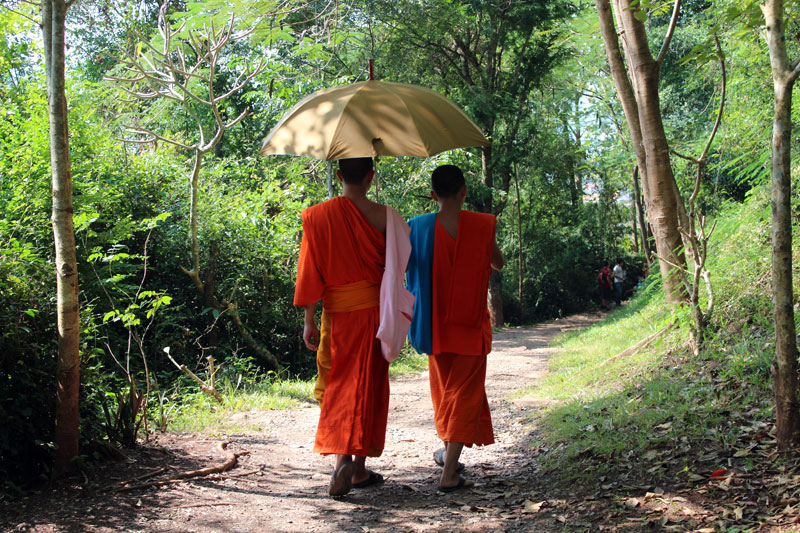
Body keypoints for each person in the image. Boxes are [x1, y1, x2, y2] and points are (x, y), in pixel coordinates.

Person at [294, 156, 412, 497]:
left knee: (340, 384)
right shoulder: (387, 217)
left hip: (338, 315)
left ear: (340, 174)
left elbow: (309, 274)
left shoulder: (317, 217)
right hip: (377, 314)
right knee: (369, 385)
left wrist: (308, 321)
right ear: (371, 177)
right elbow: (403, 261)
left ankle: (342, 461)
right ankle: (357, 467)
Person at [405, 164, 504, 492]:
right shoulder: (481, 226)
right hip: (469, 325)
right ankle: (448, 471)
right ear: (464, 191)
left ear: (433, 195)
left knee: (445, 393)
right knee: (463, 396)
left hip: (433, 325)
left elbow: (401, 266)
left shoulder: (416, 228)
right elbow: (498, 262)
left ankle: (448, 453)